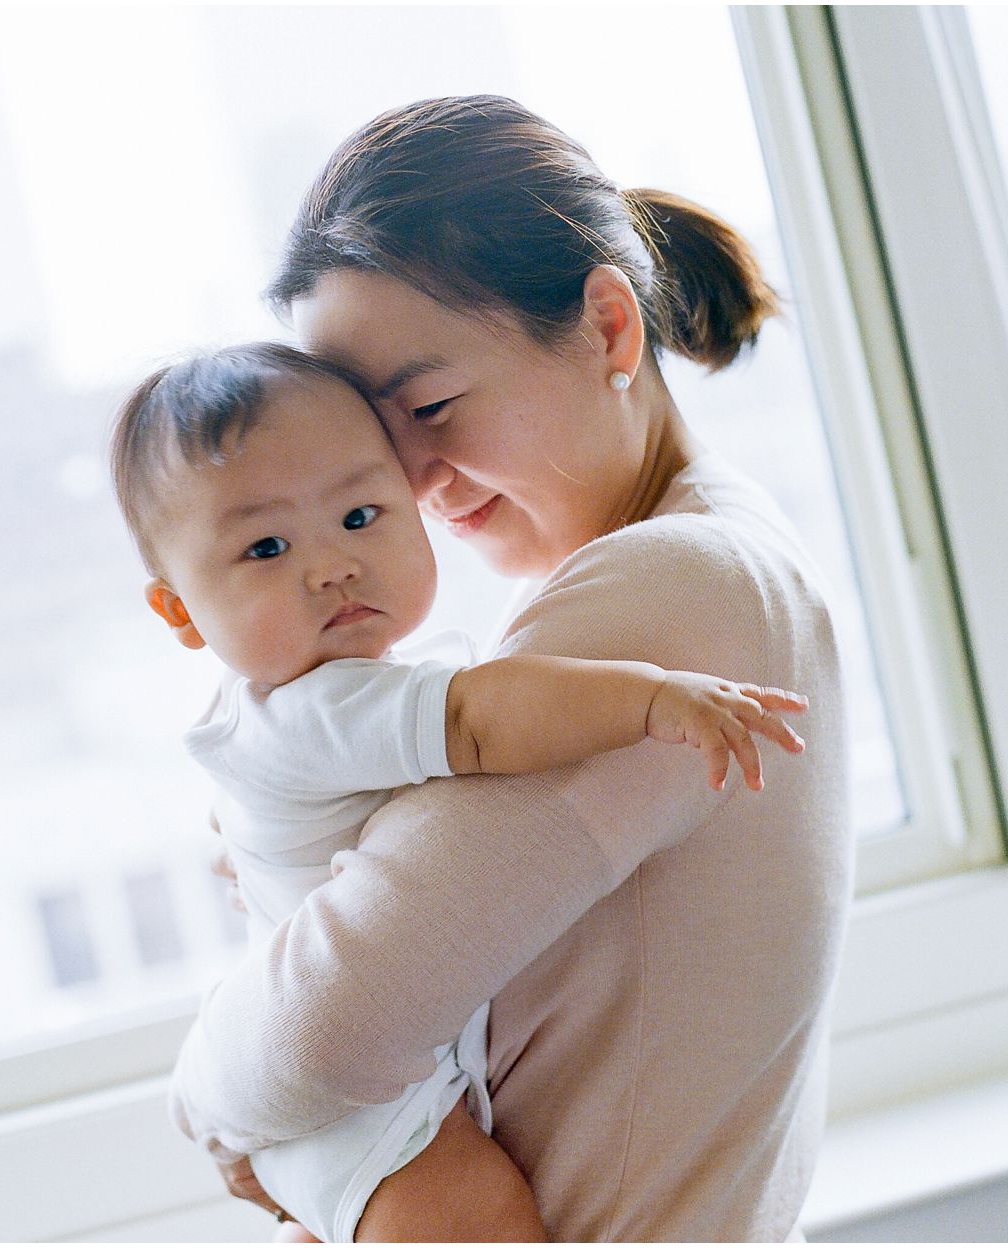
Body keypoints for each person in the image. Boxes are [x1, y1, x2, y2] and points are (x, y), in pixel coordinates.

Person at [166, 95, 855, 1242]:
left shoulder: (671, 590)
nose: (418, 483)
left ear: (607, 330)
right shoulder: (721, 548)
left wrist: (211, 1105)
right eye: (382, 447)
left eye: (431, 406)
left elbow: (320, 1039)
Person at [110, 342, 810, 1243]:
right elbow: (484, 722)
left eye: (361, 514)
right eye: (267, 546)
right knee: (480, 1219)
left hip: (381, 1089)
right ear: (178, 612)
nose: (331, 565)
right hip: (370, 1117)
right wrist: (651, 697)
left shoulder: (338, 695)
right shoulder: (314, 708)